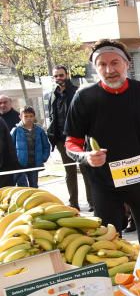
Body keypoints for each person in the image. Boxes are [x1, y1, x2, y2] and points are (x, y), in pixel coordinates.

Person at [64, 40, 140, 243]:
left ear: (127, 64)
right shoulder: (84, 97)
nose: (109, 70)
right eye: (102, 64)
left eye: (115, 62)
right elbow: (71, 142)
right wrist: (85, 157)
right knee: (109, 243)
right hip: (104, 183)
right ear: (95, 68)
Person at [45, 65, 92, 211]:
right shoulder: (52, 94)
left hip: (78, 138)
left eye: (61, 75)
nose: (59, 78)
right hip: (60, 139)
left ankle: (92, 202)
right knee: (69, 173)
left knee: (85, 171)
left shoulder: (76, 92)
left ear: (67, 75)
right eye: (56, 76)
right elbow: (52, 116)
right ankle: (74, 204)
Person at [10, 106, 51, 187]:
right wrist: (14, 160)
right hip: (19, 165)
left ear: (34, 116)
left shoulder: (40, 131)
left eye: (31, 116)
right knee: (22, 186)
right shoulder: (16, 130)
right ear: (20, 117)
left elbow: (46, 146)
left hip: (34, 164)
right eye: (26, 116)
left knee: (34, 186)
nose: (29, 118)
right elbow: (10, 147)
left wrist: (43, 157)